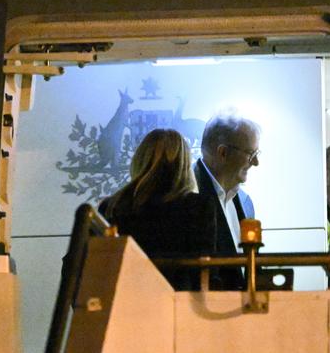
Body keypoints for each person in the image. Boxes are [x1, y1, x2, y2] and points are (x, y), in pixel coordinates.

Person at [100, 128, 217, 291]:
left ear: (140, 159)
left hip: (125, 300)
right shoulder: (198, 206)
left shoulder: (112, 206)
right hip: (177, 303)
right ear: (183, 164)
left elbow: (89, 262)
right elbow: (205, 269)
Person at [194, 114, 260, 290]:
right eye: (251, 154)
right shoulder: (188, 197)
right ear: (223, 152)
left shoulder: (246, 202)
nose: (256, 162)